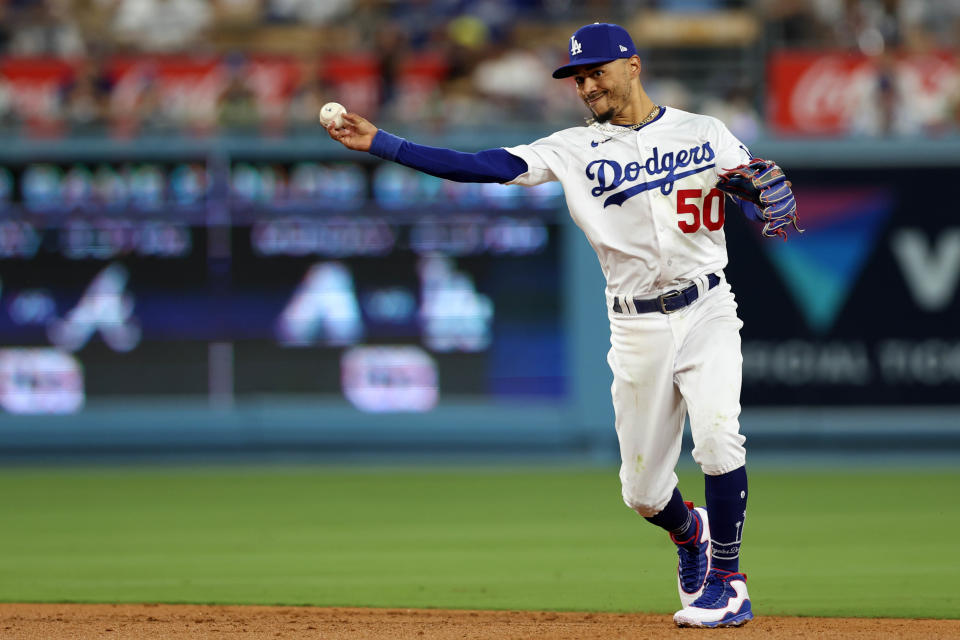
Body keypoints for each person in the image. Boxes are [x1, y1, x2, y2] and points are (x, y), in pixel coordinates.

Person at [325, 22, 798, 629]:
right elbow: (481, 166)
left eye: (596, 71)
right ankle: (690, 533)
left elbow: (759, 180)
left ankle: (729, 581)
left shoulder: (704, 133)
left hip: (707, 306)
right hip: (636, 327)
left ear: (633, 65)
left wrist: (759, 191)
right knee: (644, 493)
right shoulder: (571, 148)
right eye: (577, 77)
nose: (586, 85)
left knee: (717, 436)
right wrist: (383, 144)